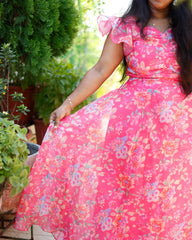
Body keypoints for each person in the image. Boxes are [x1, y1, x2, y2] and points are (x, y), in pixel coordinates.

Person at [14, 0, 192, 239]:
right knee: (125, 193)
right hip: (130, 126)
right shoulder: (126, 26)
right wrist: (68, 104)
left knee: (169, 195)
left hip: (175, 126)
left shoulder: (188, 26)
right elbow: (100, 70)